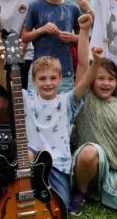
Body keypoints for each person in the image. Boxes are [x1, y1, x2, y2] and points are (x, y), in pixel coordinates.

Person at [69, 13, 117, 215]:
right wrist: (84, 31)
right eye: (100, 79)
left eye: (110, 79)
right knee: (89, 152)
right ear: (92, 81)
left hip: (114, 168)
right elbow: (83, 66)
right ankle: (82, 192)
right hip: (88, 161)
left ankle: (103, 190)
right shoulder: (86, 98)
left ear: (116, 82)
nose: (105, 83)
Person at [22, 15, 103, 207]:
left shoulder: (67, 101)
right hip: (33, 162)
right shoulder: (28, 98)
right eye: (42, 79)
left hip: (59, 163)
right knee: (26, 155)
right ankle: (24, 189)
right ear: (34, 81)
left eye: (52, 78)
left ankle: (68, 192)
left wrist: (97, 63)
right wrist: (1, 63)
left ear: (60, 79)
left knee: (60, 207)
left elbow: (84, 70)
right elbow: (4, 83)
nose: (48, 83)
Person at [21, 0, 81, 92]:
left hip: (64, 72)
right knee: (38, 109)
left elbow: (83, 40)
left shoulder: (73, 8)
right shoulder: (35, 7)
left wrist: (72, 38)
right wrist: (41, 30)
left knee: (62, 109)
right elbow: (24, 37)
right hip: (40, 70)